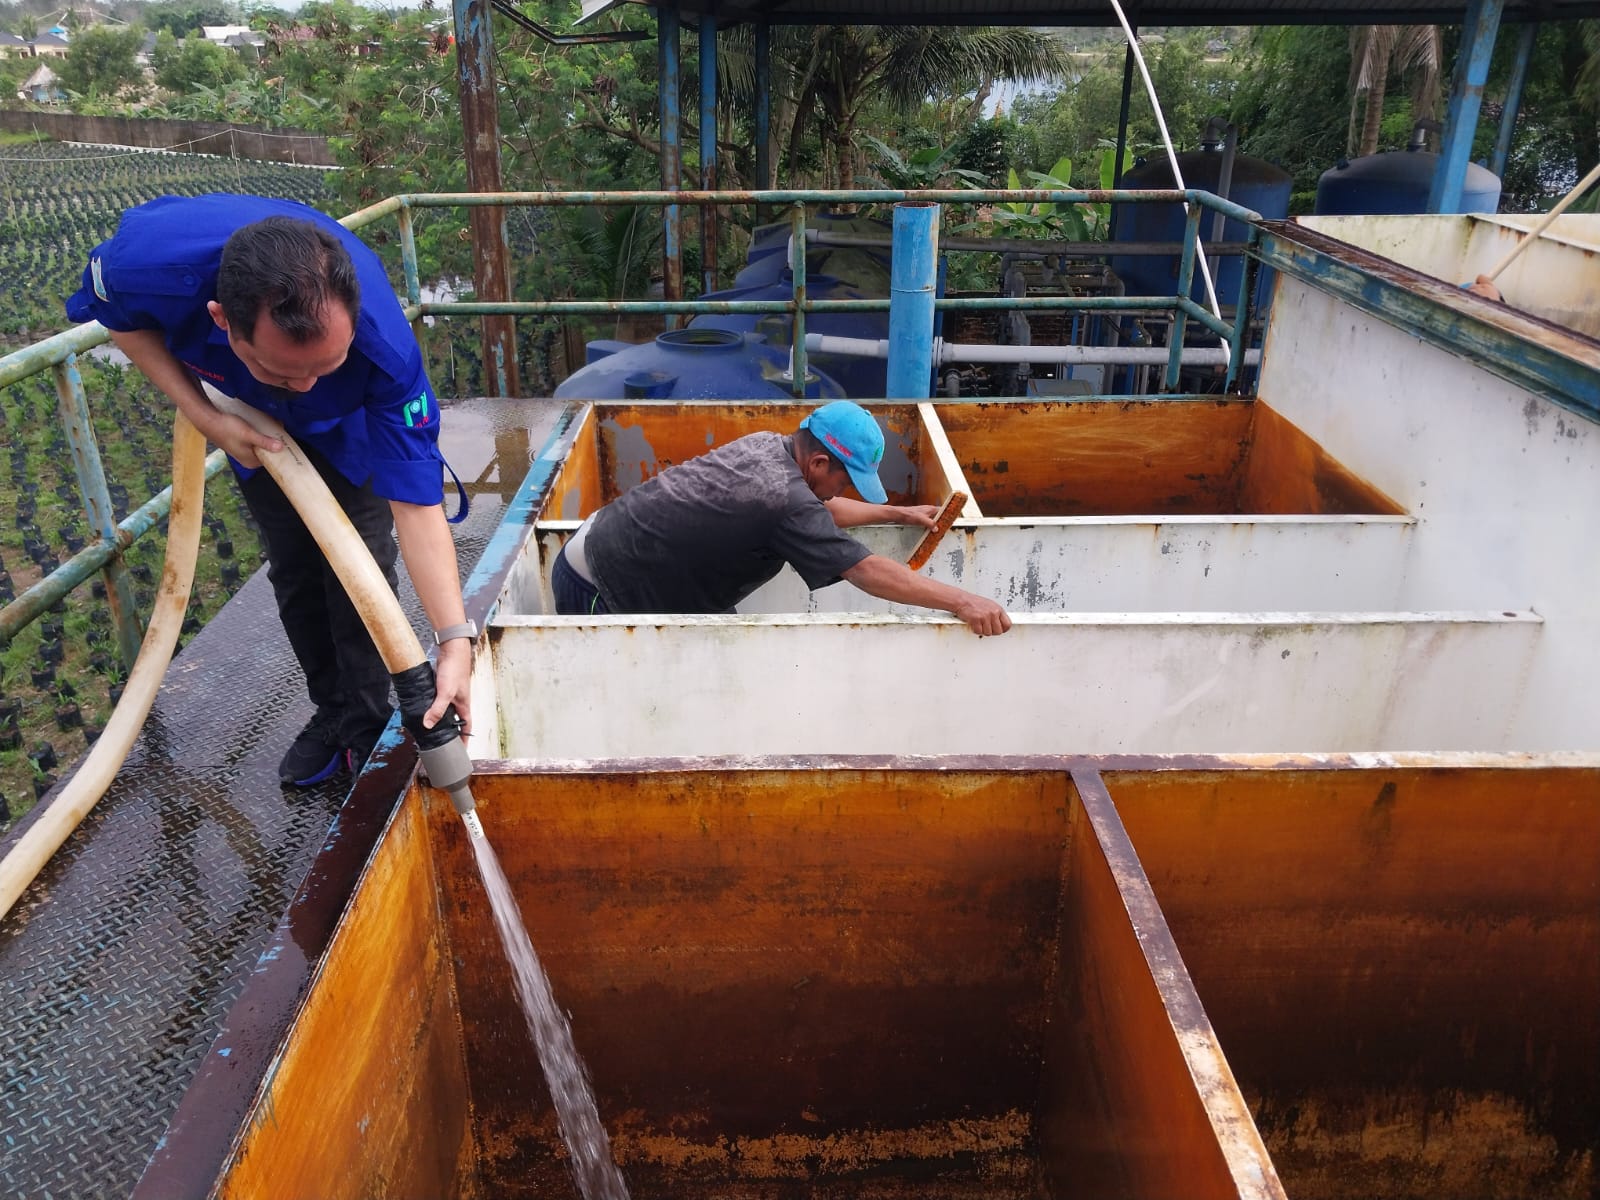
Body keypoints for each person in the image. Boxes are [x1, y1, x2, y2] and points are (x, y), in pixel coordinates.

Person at [66, 194, 472, 786]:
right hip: (251, 423)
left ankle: (367, 726)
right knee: (296, 564)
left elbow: (417, 504)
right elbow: (123, 323)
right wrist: (207, 418)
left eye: (322, 367)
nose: (304, 384)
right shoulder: (146, 267)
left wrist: (453, 639)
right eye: (284, 370)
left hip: (348, 426)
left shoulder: (384, 350)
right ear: (221, 318)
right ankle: (332, 713)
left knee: (358, 562)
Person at [551, 400, 1012, 636]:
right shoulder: (784, 500)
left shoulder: (770, 446)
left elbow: (821, 508)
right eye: (845, 481)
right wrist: (963, 602)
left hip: (613, 548)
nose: (842, 492)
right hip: (600, 584)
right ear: (817, 464)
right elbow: (866, 570)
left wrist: (896, 512)